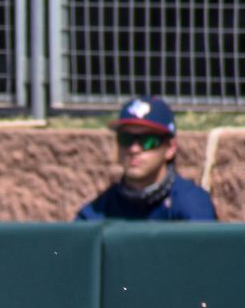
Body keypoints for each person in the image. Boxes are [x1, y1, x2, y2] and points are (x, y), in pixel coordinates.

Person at [76, 95, 217, 222]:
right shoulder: (100, 208)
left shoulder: (191, 203)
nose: (134, 149)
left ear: (170, 148)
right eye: (126, 139)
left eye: (148, 141)